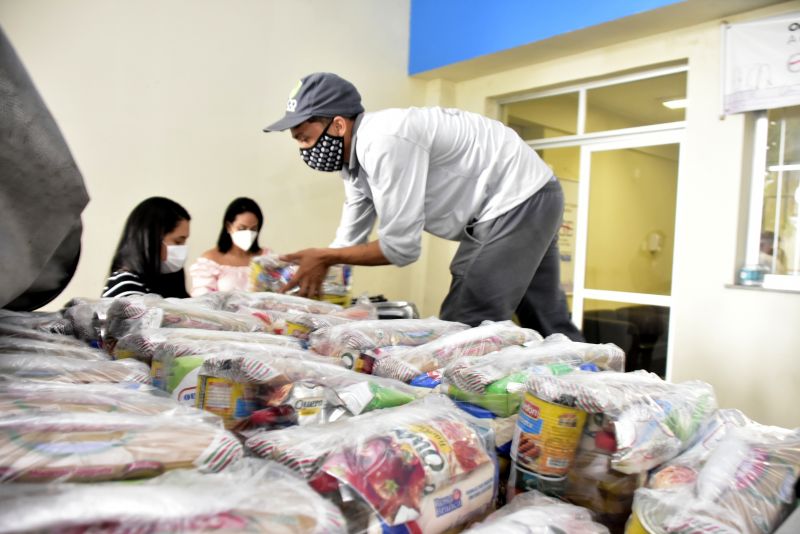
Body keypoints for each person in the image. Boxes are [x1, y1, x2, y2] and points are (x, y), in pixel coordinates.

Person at [263, 72, 583, 340]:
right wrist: (306, 294)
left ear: (338, 126)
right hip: (531, 195)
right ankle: (594, 382)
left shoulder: (385, 140)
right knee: (546, 318)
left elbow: (400, 249)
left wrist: (324, 258)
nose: (304, 149)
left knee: (466, 321)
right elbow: (346, 246)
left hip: (517, 197)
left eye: (304, 138)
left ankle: (459, 398)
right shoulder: (355, 168)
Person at [102, 197, 191, 298]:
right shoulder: (125, 287)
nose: (183, 250)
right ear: (151, 239)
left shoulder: (164, 282)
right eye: (178, 242)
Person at [189, 197, 267, 296]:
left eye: (253, 229)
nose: (248, 233)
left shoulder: (266, 257)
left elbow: (275, 294)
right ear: (228, 226)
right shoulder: (209, 261)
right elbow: (202, 299)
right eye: (242, 228)